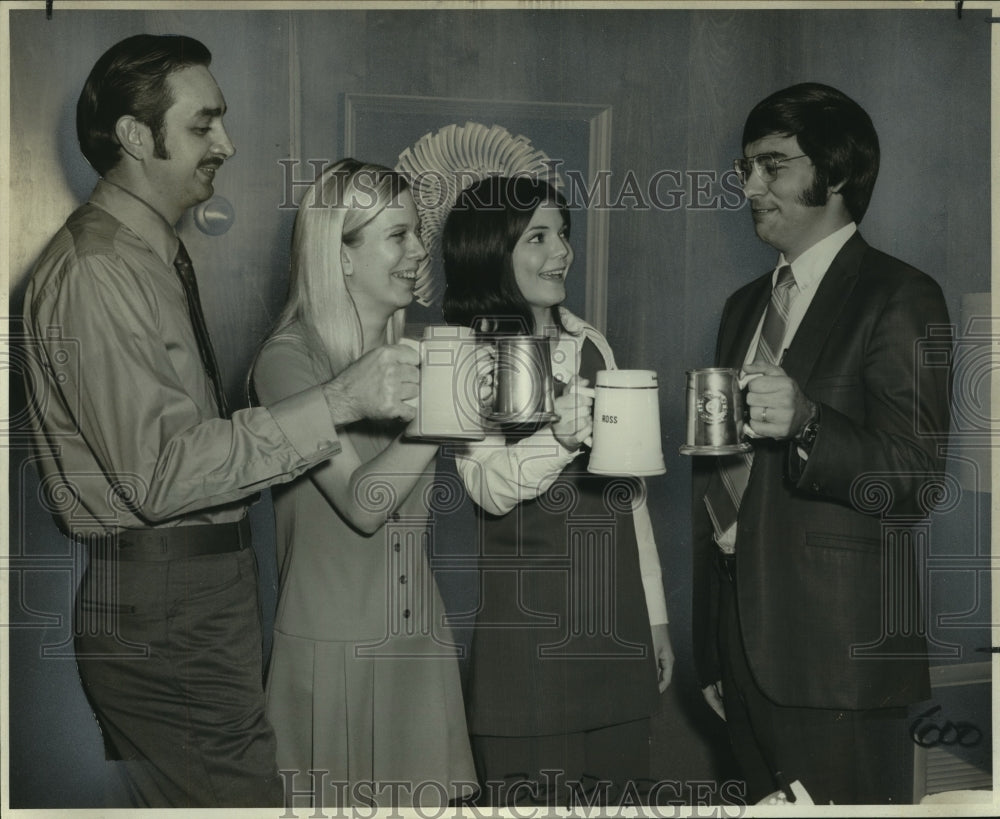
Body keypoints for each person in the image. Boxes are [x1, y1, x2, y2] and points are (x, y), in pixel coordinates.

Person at [21, 35, 419, 808]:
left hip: (192, 593)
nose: (227, 145)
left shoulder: (143, 257)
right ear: (137, 137)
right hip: (170, 599)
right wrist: (338, 402)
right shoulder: (99, 271)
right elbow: (161, 474)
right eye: (204, 125)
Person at [691, 82, 952, 805]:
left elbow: (917, 477)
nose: (749, 186)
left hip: (840, 660)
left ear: (834, 174)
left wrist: (809, 423)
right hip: (738, 655)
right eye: (745, 168)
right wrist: (713, 646)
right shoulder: (744, 306)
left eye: (772, 166)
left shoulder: (900, 295)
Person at [441, 175, 674, 807]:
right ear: (493, 251)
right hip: (526, 641)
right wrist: (562, 439)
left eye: (563, 234)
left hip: (615, 624)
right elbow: (487, 487)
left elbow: (631, 495)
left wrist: (654, 616)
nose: (562, 251)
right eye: (538, 237)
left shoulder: (593, 343)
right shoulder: (464, 355)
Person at [252, 159, 478, 809]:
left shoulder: (418, 351)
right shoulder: (288, 360)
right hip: (334, 655)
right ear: (341, 255)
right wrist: (442, 415)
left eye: (416, 233)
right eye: (397, 236)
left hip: (417, 646)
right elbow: (363, 502)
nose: (417, 251)